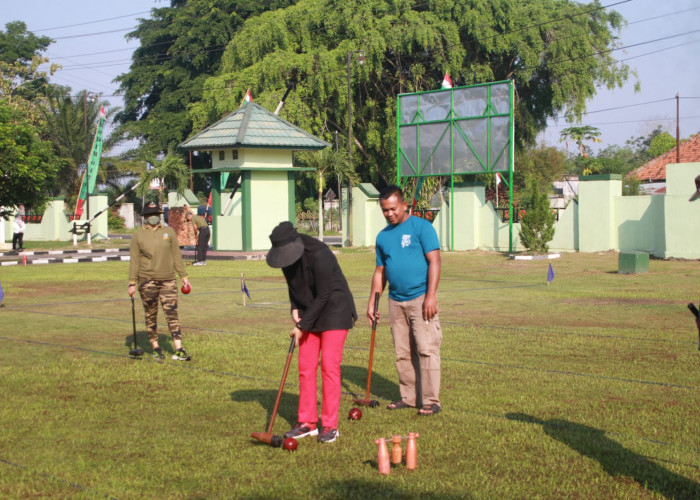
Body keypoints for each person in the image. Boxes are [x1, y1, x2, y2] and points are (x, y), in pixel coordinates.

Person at [266, 221, 357, 443]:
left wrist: (300, 326)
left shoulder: (319, 253)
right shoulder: (286, 258)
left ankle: (330, 425)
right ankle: (307, 422)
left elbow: (325, 294)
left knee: (329, 366)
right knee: (306, 366)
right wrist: (294, 308)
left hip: (335, 310)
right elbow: (293, 286)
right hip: (308, 310)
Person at [368, 185, 443, 416]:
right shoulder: (383, 236)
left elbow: (435, 261)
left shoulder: (422, 227)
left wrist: (431, 296)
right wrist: (373, 300)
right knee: (402, 353)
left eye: (392, 209)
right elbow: (380, 271)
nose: (389, 214)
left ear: (403, 205)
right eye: (384, 210)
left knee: (427, 349)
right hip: (395, 301)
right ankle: (409, 398)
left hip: (421, 298)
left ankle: (431, 401)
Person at [128, 202, 192, 361]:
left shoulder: (168, 232)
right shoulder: (138, 235)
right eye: (150, 215)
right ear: (145, 217)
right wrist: (132, 283)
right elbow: (134, 260)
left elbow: (176, 256)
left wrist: (184, 277)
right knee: (151, 314)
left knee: (172, 314)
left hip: (168, 280)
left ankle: (179, 348)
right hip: (147, 281)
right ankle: (155, 347)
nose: (153, 217)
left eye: (155, 214)